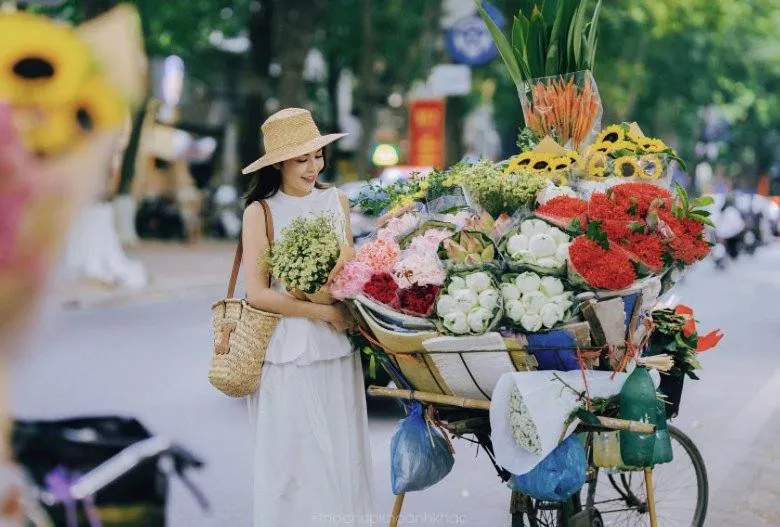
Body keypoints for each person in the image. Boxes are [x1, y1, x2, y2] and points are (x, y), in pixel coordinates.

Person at [240, 108, 375, 527]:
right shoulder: (260, 212)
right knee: (291, 465)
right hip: (287, 353)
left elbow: (349, 270)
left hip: (336, 351)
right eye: (302, 159)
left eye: (317, 156)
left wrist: (340, 303)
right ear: (279, 162)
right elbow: (258, 293)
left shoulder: (335, 200)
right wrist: (320, 311)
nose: (313, 166)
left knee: (341, 456)